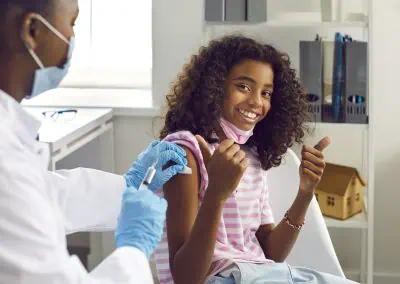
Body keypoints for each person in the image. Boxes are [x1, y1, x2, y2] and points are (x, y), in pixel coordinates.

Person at [0, 0, 187, 283]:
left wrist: (127, 187)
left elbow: (41, 196)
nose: (72, 40)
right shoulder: (6, 160)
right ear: (32, 30)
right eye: (72, 23)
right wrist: (134, 252)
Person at [153, 35, 358, 284]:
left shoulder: (251, 155)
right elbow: (186, 278)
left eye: (266, 93)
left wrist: (305, 193)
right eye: (244, 87)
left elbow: (270, 254)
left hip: (262, 274)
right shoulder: (184, 152)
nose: (256, 102)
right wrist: (216, 194)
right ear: (214, 87)